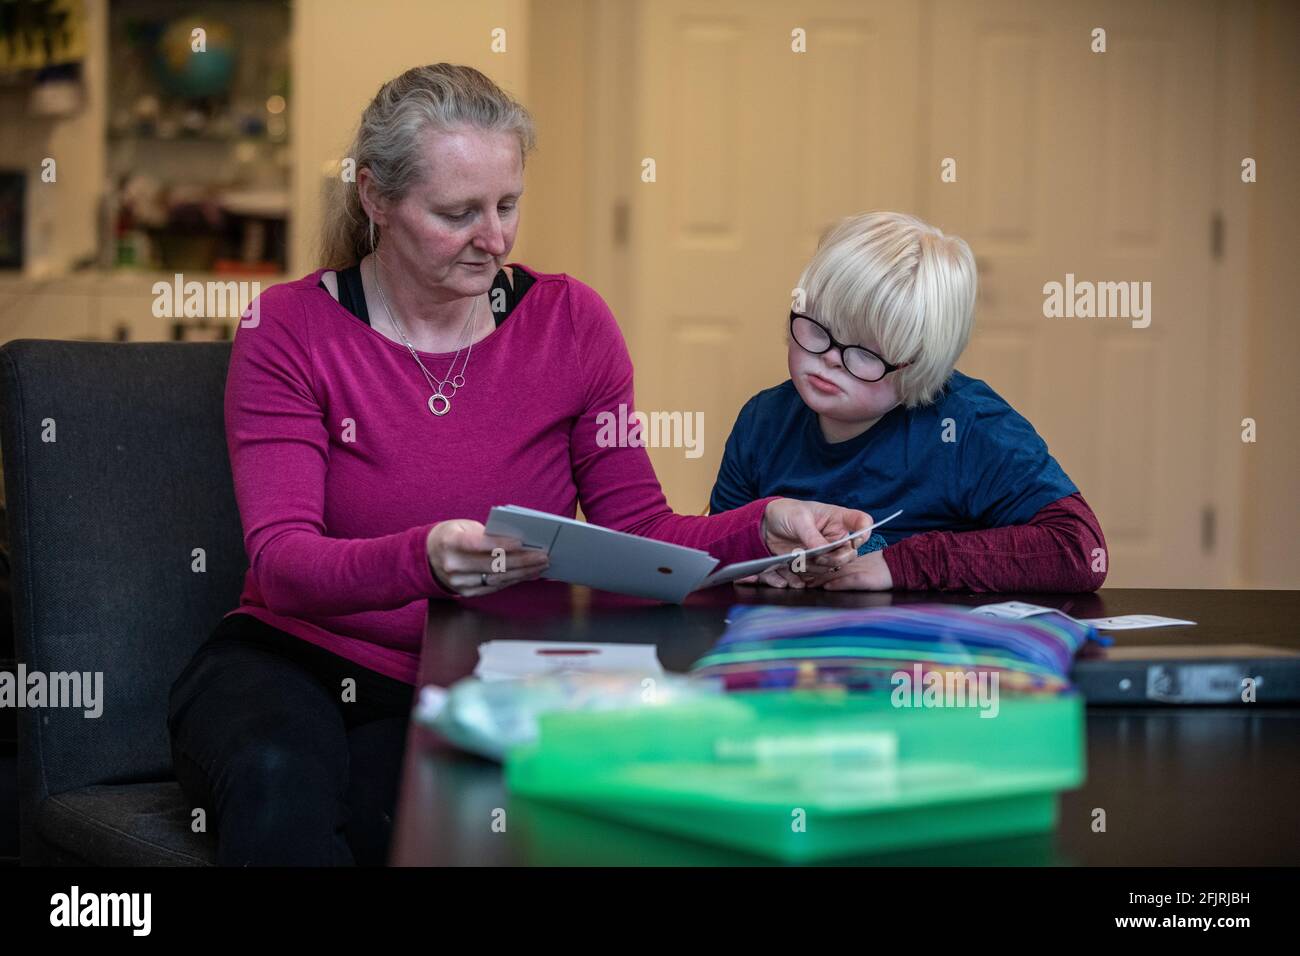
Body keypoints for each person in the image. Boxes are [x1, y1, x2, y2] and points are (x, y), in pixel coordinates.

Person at [167, 63, 873, 866]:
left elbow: (638, 530)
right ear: (374, 196)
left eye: (507, 206)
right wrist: (423, 558)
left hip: (467, 670)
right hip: (288, 657)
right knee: (278, 783)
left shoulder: (570, 322)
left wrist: (765, 527)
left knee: (412, 819)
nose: (495, 238)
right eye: (457, 212)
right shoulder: (289, 327)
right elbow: (284, 564)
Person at [710, 211, 1107, 593]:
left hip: (927, 655)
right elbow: (715, 550)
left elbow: (1081, 551)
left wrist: (905, 564)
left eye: (866, 351)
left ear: (920, 364)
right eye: (818, 328)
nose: (830, 358)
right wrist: (753, 561)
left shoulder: (971, 427)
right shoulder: (762, 421)